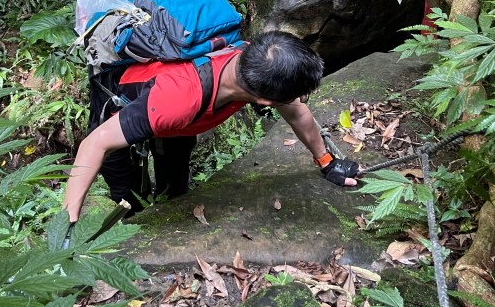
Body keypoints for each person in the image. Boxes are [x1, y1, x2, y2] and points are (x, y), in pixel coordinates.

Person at [63, 30, 359, 223]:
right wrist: (66, 226)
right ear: (264, 101)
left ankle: (166, 206)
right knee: (127, 194)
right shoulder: (179, 101)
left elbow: (297, 114)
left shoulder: (251, 61)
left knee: (175, 184)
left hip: (175, 121)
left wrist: (327, 162)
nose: (300, 101)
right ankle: (134, 222)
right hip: (123, 102)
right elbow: (95, 143)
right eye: (298, 95)